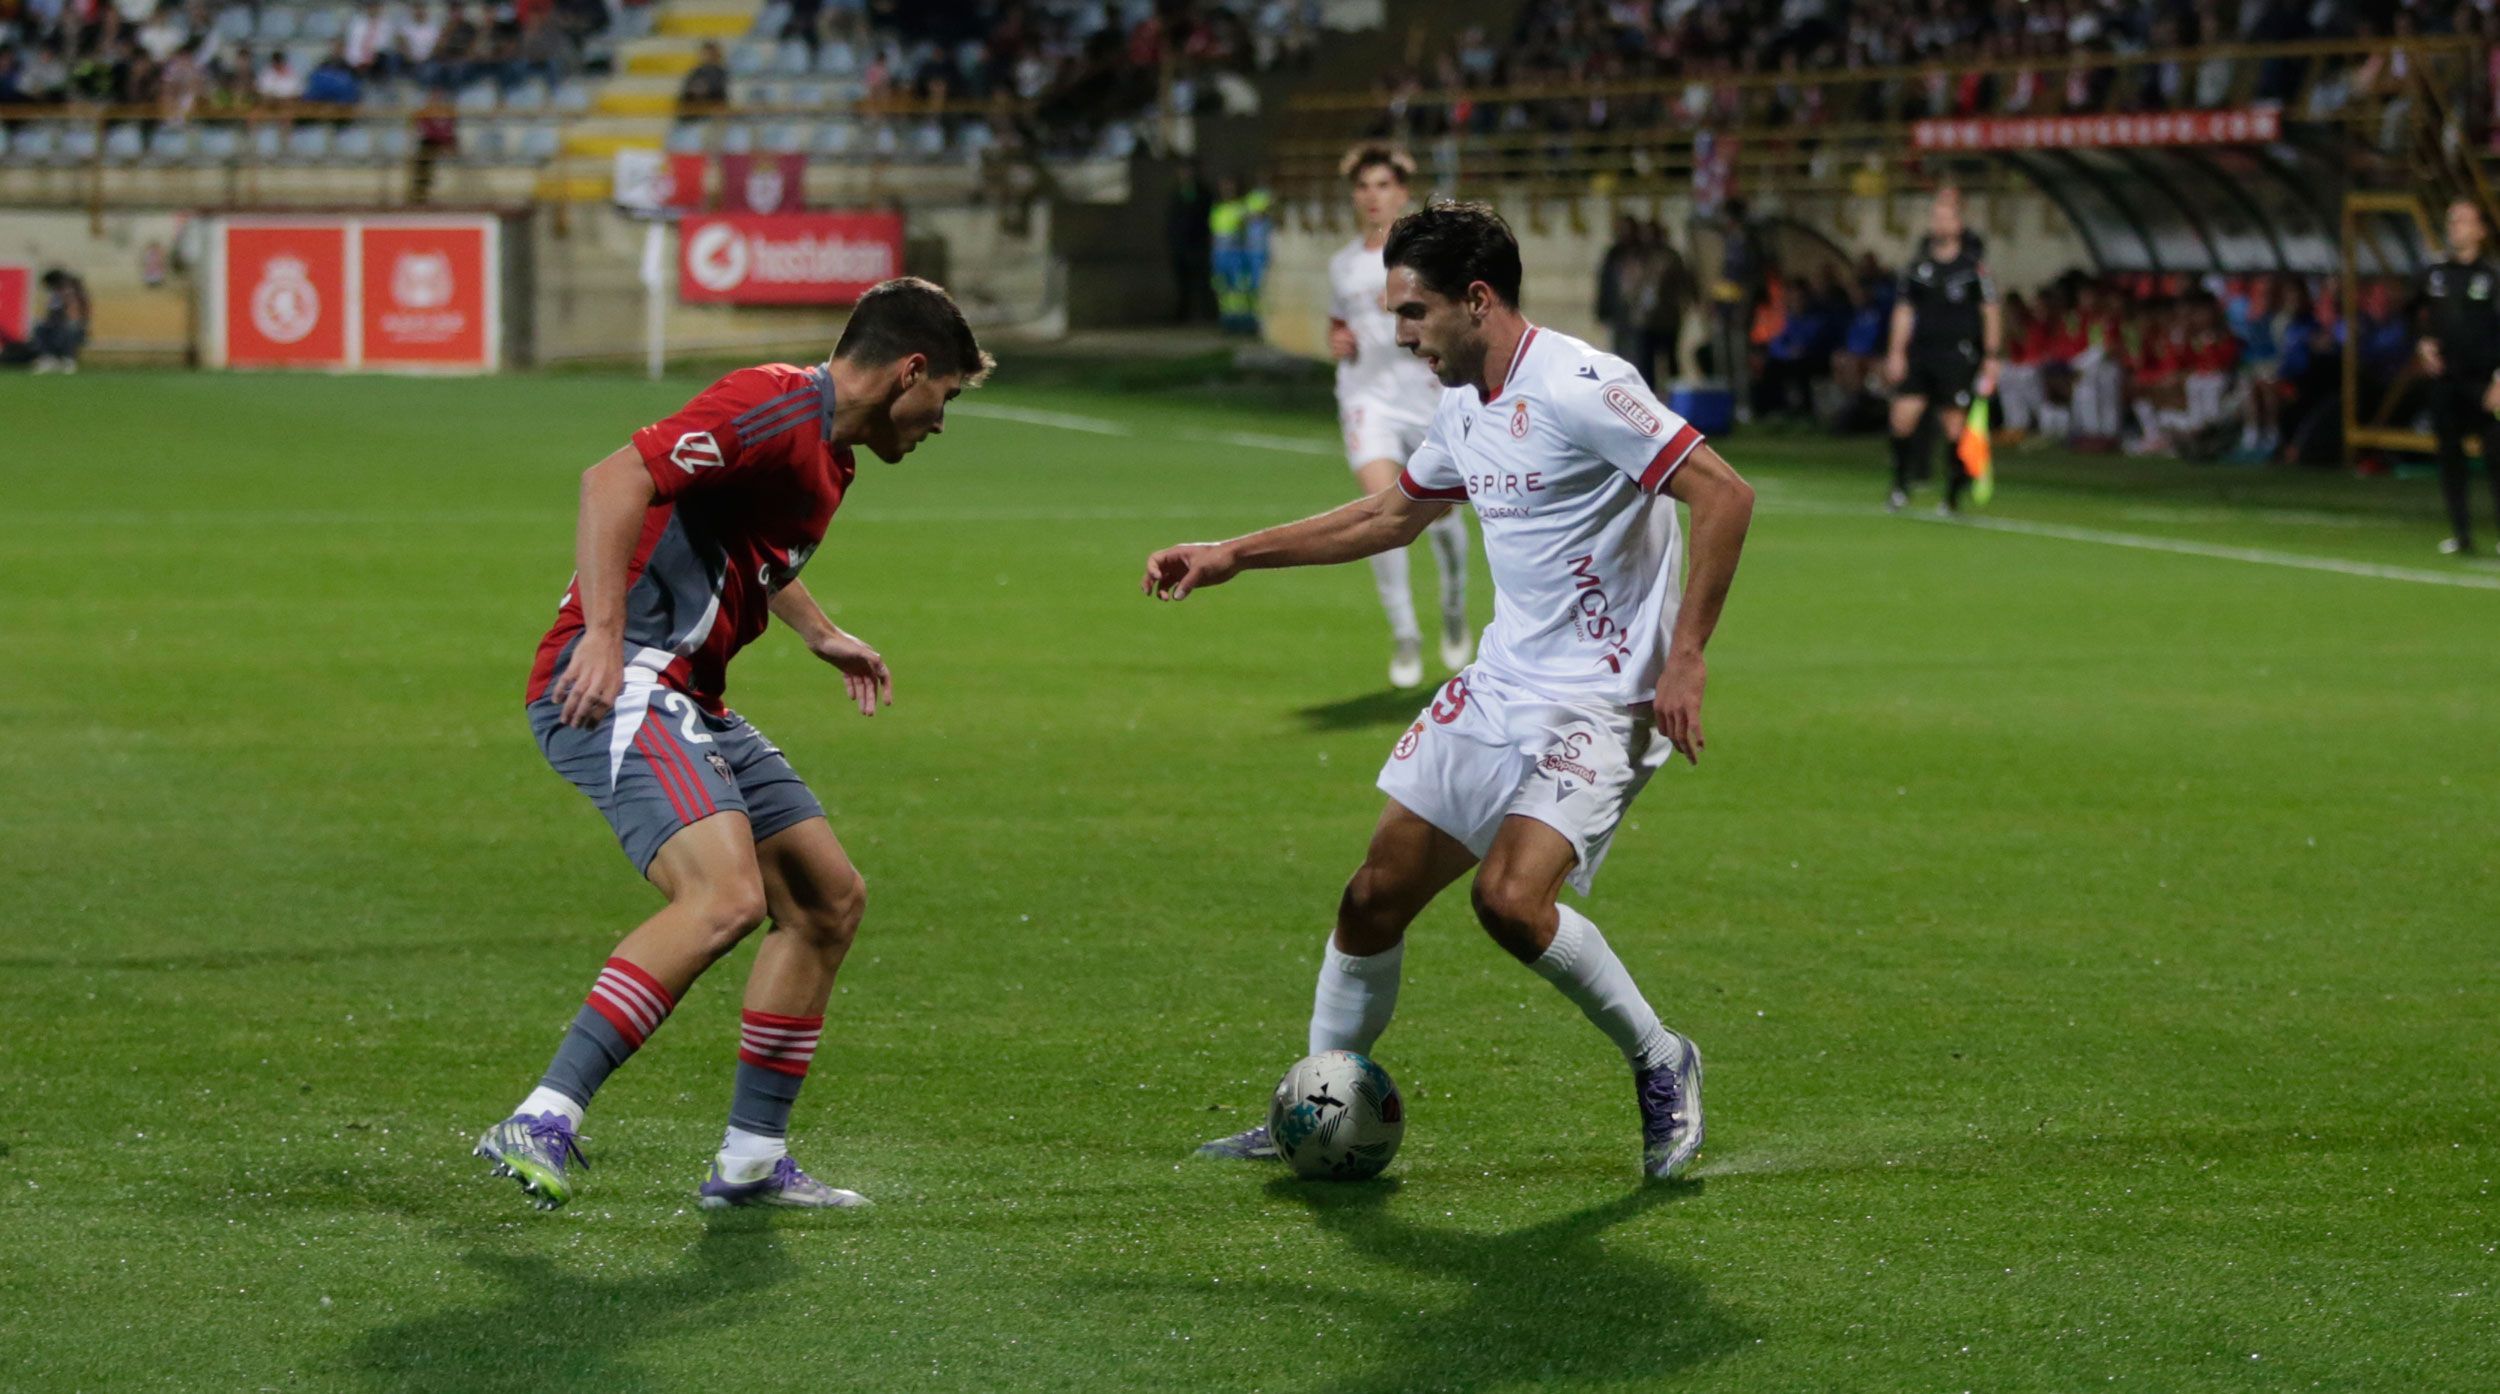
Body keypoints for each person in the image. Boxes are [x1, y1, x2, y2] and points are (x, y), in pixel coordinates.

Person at [1143, 202, 1755, 1181]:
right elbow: (1390, 514)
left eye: (1415, 311)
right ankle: (1316, 1094)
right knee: (1371, 896)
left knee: (1510, 900)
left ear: (1478, 299)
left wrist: (1685, 656)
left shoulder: (1585, 384)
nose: (1401, 335)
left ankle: (1660, 1055)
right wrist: (1233, 554)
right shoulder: (1466, 402)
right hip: (1502, 684)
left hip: (1601, 701)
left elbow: (1723, 492)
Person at [474, 278, 994, 1212]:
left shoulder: (832, 456)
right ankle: (544, 1114)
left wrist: (817, 628)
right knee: (722, 898)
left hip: (691, 696)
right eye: (946, 397)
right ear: (910, 371)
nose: (941, 421)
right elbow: (616, 478)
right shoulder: (773, 402)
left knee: (828, 901)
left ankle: (752, 1158)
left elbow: (746, 545)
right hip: (621, 678)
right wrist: (600, 633)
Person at [1328, 145, 1472, 689]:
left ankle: (1454, 607)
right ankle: (1406, 632)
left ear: (1402, 192)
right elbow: (1337, 325)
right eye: (1363, 186)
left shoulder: (1427, 261)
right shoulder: (1342, 264)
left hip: (1430, 401)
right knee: (1380, 510)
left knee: (1441, 516)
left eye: (1383, 185)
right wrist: (1337, 340)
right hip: (1367, 399)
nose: (1372, 196)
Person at [1884, 186, 2000, 514]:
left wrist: (1991, 356)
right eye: (1935, 216)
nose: (1939, 222)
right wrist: (1896, 351)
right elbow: (1904, 311)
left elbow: (1990, 311)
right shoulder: (1918, 267)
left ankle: (1952, 493)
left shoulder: (1972, 269)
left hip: (1957, 354)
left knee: (1954, 424)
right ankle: (1900, 484)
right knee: (1902, 417)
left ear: (1959, 223)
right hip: (1922, 353)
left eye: (1946, 217)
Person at [2411, 197, 2500, 556]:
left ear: (2480, 230)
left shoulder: (2493, 276)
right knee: (2450, 457)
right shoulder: (2433, 273)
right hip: (2445, 381)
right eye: (2451, 220)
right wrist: (2422, 344)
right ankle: (2461, 533)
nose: (2455, 228)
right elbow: (2410, 315)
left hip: (2486, 382)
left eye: (2463, 221)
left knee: (2497, 456)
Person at [30, 268, 90, 374]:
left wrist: (65, 320)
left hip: (72, 327)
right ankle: (48, 358)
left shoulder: (72, 292)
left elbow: (75, 314)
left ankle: (68, 359)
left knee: (70, 328)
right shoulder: (55, 295)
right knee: (39, 327)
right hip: (57, 326)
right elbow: (51, 315)